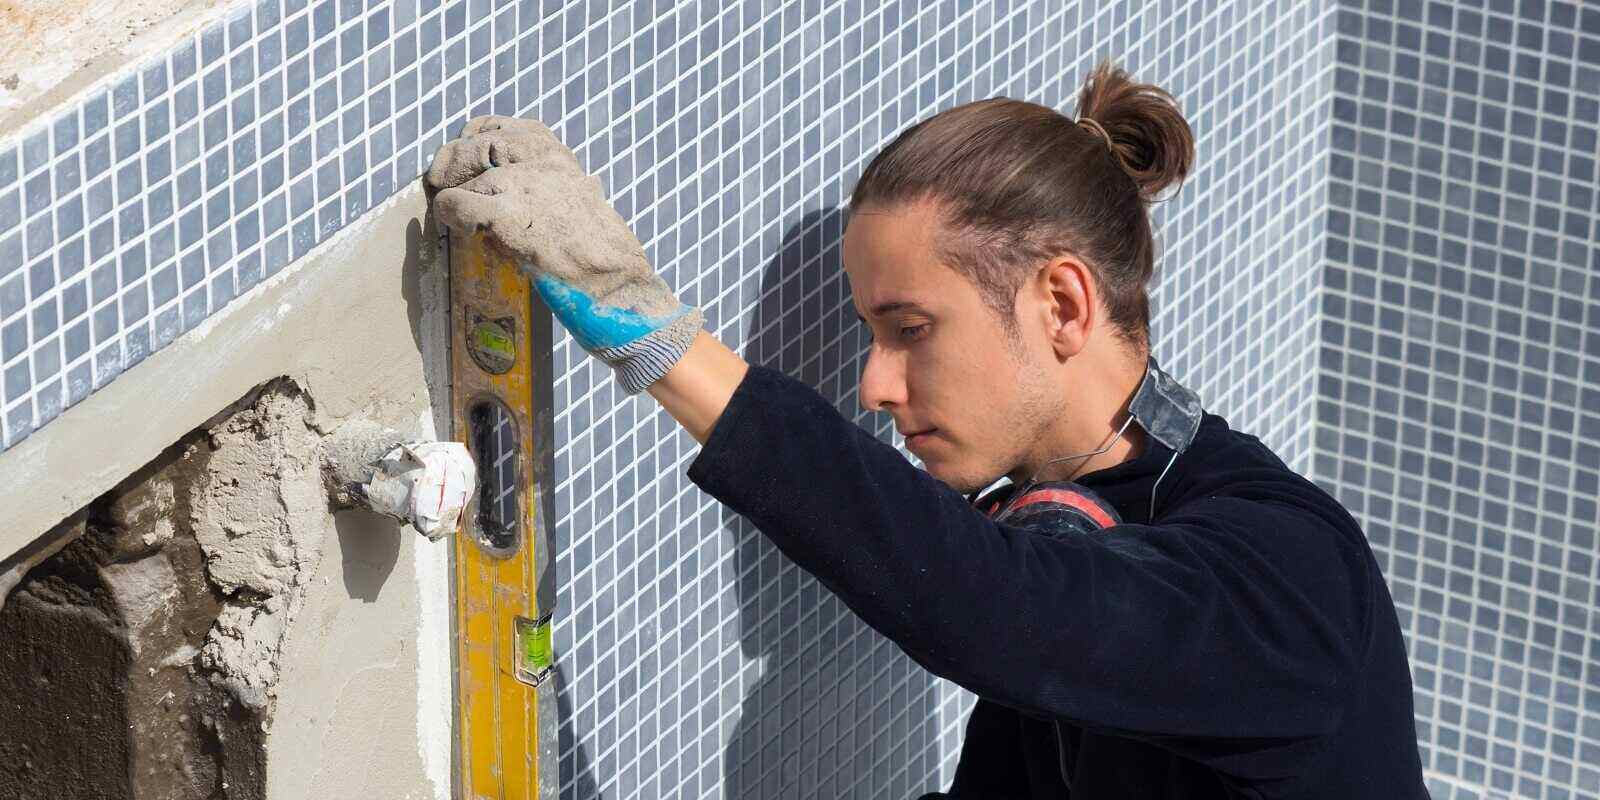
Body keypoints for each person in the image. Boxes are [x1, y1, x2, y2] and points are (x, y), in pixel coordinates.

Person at [425, 59, 1429, 799]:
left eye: (910, 330)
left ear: (1063, 305)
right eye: (870, 334)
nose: (873, 383)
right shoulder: (1063, 522)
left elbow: (999, 605)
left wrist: (649, 330)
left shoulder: (1286, 572)